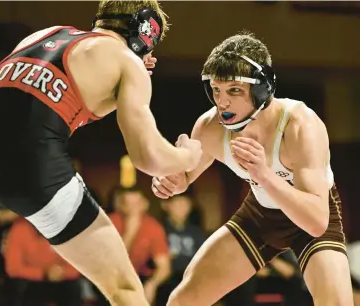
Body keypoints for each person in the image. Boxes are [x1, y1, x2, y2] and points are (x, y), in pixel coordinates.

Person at [0, 1, 202, 305]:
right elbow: (147, 157)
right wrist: (188, 156)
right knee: (124, 289)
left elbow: (34, 102)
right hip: (35, 168)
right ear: (144, 35)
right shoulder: (126, 61)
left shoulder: (41, 35)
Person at [151, 31, 352, 306]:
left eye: (234, 90)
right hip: (260, 216)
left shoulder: (300, 126)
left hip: (311, 215)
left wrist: (265, 177)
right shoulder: (210, 127)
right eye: (217, 90)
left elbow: (317, 221)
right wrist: (170, 180)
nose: (222, 102)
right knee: (184, 299)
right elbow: (183, 178)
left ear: (262, 89)